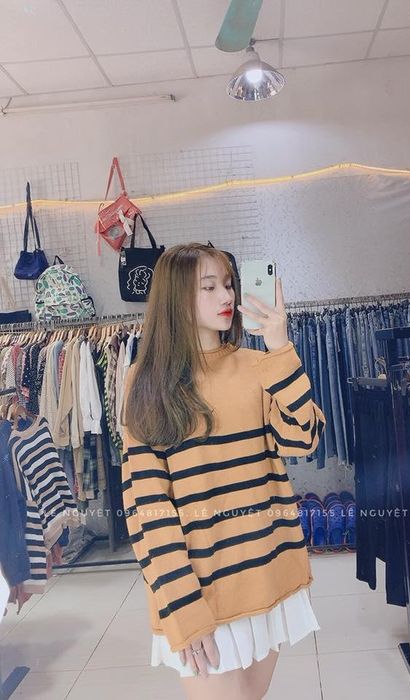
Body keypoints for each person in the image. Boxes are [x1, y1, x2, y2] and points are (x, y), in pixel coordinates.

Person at [121, 243, 326, 699]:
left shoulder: (259, 365)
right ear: (175, 298)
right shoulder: (146, 381)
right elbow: (146, 505)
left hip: (267, 569)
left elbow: (304, 439)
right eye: (209, 287)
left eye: (229, 284)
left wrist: (279, 347)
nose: (227, 296)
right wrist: (183, 605)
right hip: (201, 587)